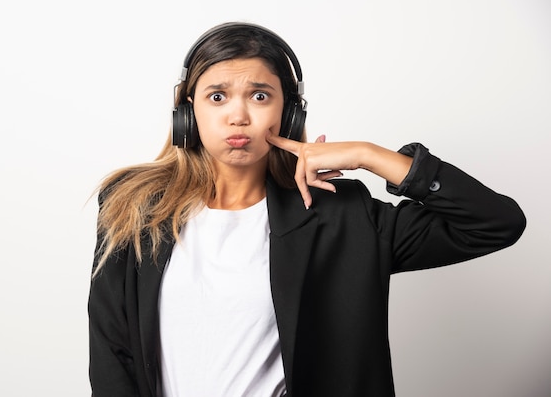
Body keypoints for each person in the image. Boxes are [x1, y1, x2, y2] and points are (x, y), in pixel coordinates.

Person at [87, 22, 526, 397]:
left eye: (260, 96)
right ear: (187, 113)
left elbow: (495, 223)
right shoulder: (133, 206)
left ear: (289, 114)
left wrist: (368, 154)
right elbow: (112, 350)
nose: (238, 116)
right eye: (217, 97)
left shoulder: (342, 216)